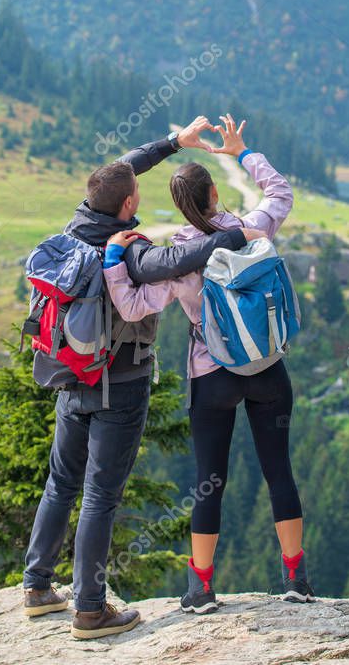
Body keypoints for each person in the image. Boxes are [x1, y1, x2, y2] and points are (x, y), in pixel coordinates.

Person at [23, 117, 267, 640]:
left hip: (70, 379)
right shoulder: (129, 249)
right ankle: (90, 608)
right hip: (121, 387)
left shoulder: (77, 225)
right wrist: (234, 232)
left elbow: (118, 171)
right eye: (135, 190)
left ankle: (38, 586)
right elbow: (180, 257)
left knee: (61, 482)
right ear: (129, 206)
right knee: (100, 495)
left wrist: (172, 144)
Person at [103, 114, 314, 613]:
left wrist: (114, 261)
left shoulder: (180, 256)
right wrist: (242, 152)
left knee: (208, 481)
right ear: (214, 193)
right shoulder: (252, 229)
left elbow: (133, 307)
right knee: (279, 471)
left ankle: (200, 589)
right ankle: (297, 579)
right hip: (267, 369)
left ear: (180, 205)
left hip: (211, 375)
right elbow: (280, 192)